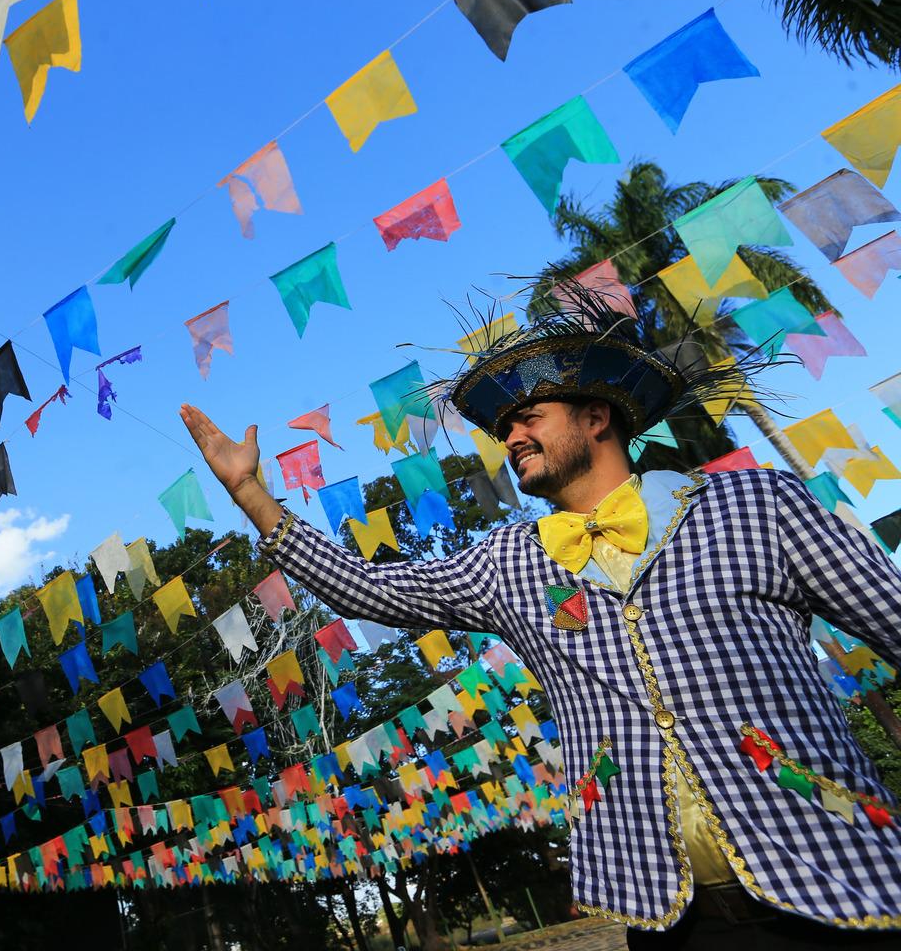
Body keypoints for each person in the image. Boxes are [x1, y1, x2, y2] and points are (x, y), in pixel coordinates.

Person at [180, 290, 901, 949]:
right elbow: (368, 591)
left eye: (529, 416)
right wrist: (251, 495)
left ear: (597, 417)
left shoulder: (756, 506)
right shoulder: (506, 561)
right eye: (503, 427)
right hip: (670, 921)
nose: (511, 435)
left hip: (844, 890)